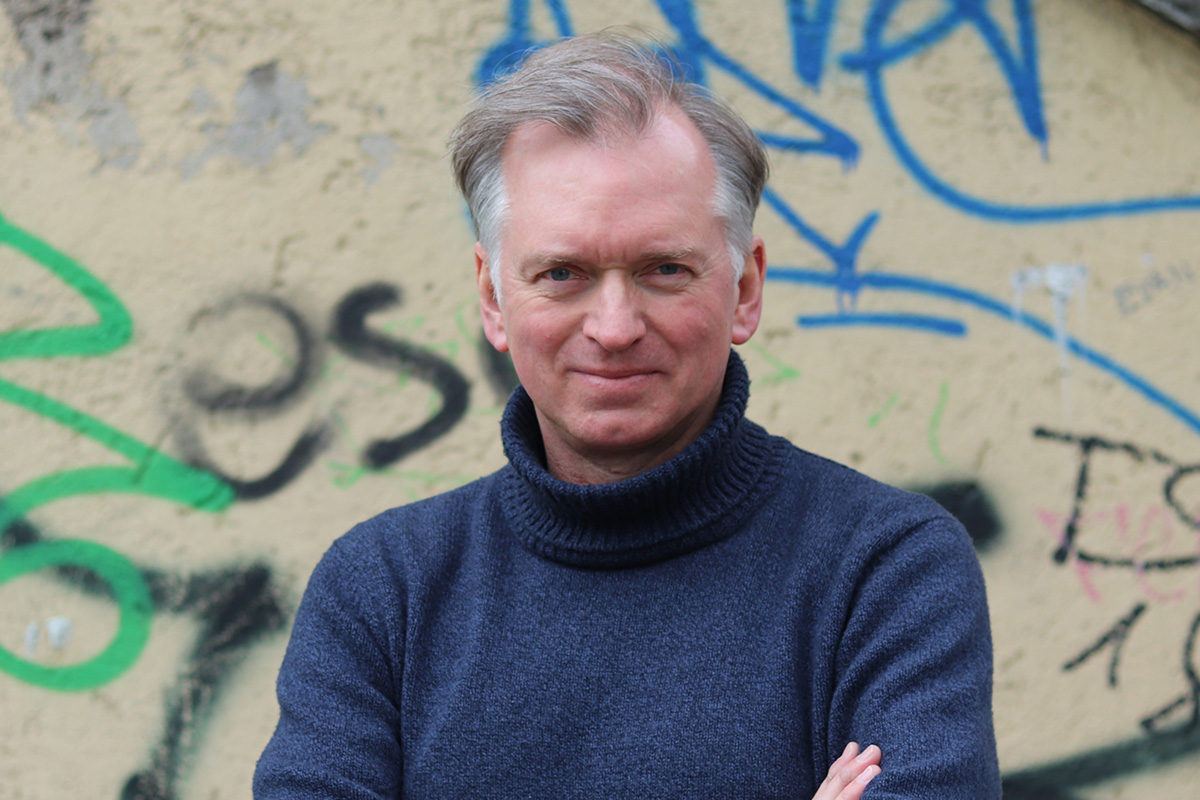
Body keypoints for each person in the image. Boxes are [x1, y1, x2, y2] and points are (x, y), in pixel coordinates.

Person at [254, 31, 1001, 799]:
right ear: (493, 298)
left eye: (664, 269)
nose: (614, 328)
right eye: (562, 273)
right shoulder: (384, 591)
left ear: (745, 290)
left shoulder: (887, 569)